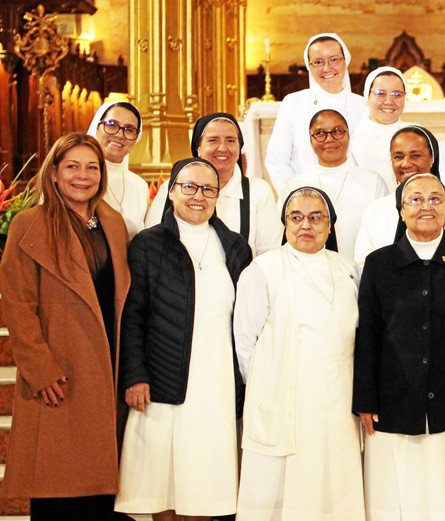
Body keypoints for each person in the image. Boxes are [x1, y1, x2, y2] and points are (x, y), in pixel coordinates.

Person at [353, 173, 445, 521]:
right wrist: (365, 399)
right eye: (415, 200)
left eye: (435, 199)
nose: (426, 207)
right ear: (401, 211)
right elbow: (368, 333)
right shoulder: (379, 264)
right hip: (394, 399)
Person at [0, 133, 129, 521]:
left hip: (105, 368)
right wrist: (40, 369)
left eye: (92, 167)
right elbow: (18, 305)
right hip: (59, 373)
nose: (82, 176)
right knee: (56, 491)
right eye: (72, 166)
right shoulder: (29, 224)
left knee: (99, 497)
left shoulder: (112, 223)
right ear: (54, 172)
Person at [115, 158, 253, 520]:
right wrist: (134, 375)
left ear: (218, 196)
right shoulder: (147, 245)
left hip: (218, 384)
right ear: (171, 191)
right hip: (162, 381)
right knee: (163, 487)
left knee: (206, 484)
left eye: (208, 189)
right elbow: (133, 315)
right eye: (189, 187)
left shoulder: (236, 248)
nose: (198, 196)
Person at [234, 182, 364, 520]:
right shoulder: (263, 269)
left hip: (338, 399)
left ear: (329, 225)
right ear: (285, 224)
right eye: (296, 217)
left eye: (315, 217)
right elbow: (245, 343)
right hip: (283, 396)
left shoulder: (349, 269)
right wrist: (268, 387)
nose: (305, 226)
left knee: (333, 485)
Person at [146, 113, 283, 257]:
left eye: (230, 140)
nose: (222, 148)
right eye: (213, 140)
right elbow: (151, 243)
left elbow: (270, 255)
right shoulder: (173, 187)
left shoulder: (258, 191)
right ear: (198, 148)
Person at [354, 125, 445, 269]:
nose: (406, 163)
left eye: (415, 155)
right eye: (398, 157)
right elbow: (364, 266)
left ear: (432, 159)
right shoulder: (376, 210)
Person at [265, 33, 366, 192]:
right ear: (309, 67)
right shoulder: (294, 103)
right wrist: (296, 196)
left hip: (354, 197)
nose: (327, 68)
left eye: (334, 59)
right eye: (318, 62)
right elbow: (276, 160)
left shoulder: (363, 106)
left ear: (345, 61)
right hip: (304, 198)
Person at [284, 107, 388, 258]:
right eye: (320, 133)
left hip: (361, 274)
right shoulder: (296, 186)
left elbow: (383, 238)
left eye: (337, 131)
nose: (329, 139)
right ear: (310, 139)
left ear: (348, 134)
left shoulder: (372, 182)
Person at [87, 100, 150, 236]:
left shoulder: (140, 186)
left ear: (136, 137)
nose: (119, 134)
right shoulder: (78, 177)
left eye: (129, 129)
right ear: (97, 126)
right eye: (111, 125)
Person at [349, 66, 408, 191]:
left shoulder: (415, 133)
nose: (388, 101)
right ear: (367, 96)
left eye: (396, 94)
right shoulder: (352, 138)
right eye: (380, 94)